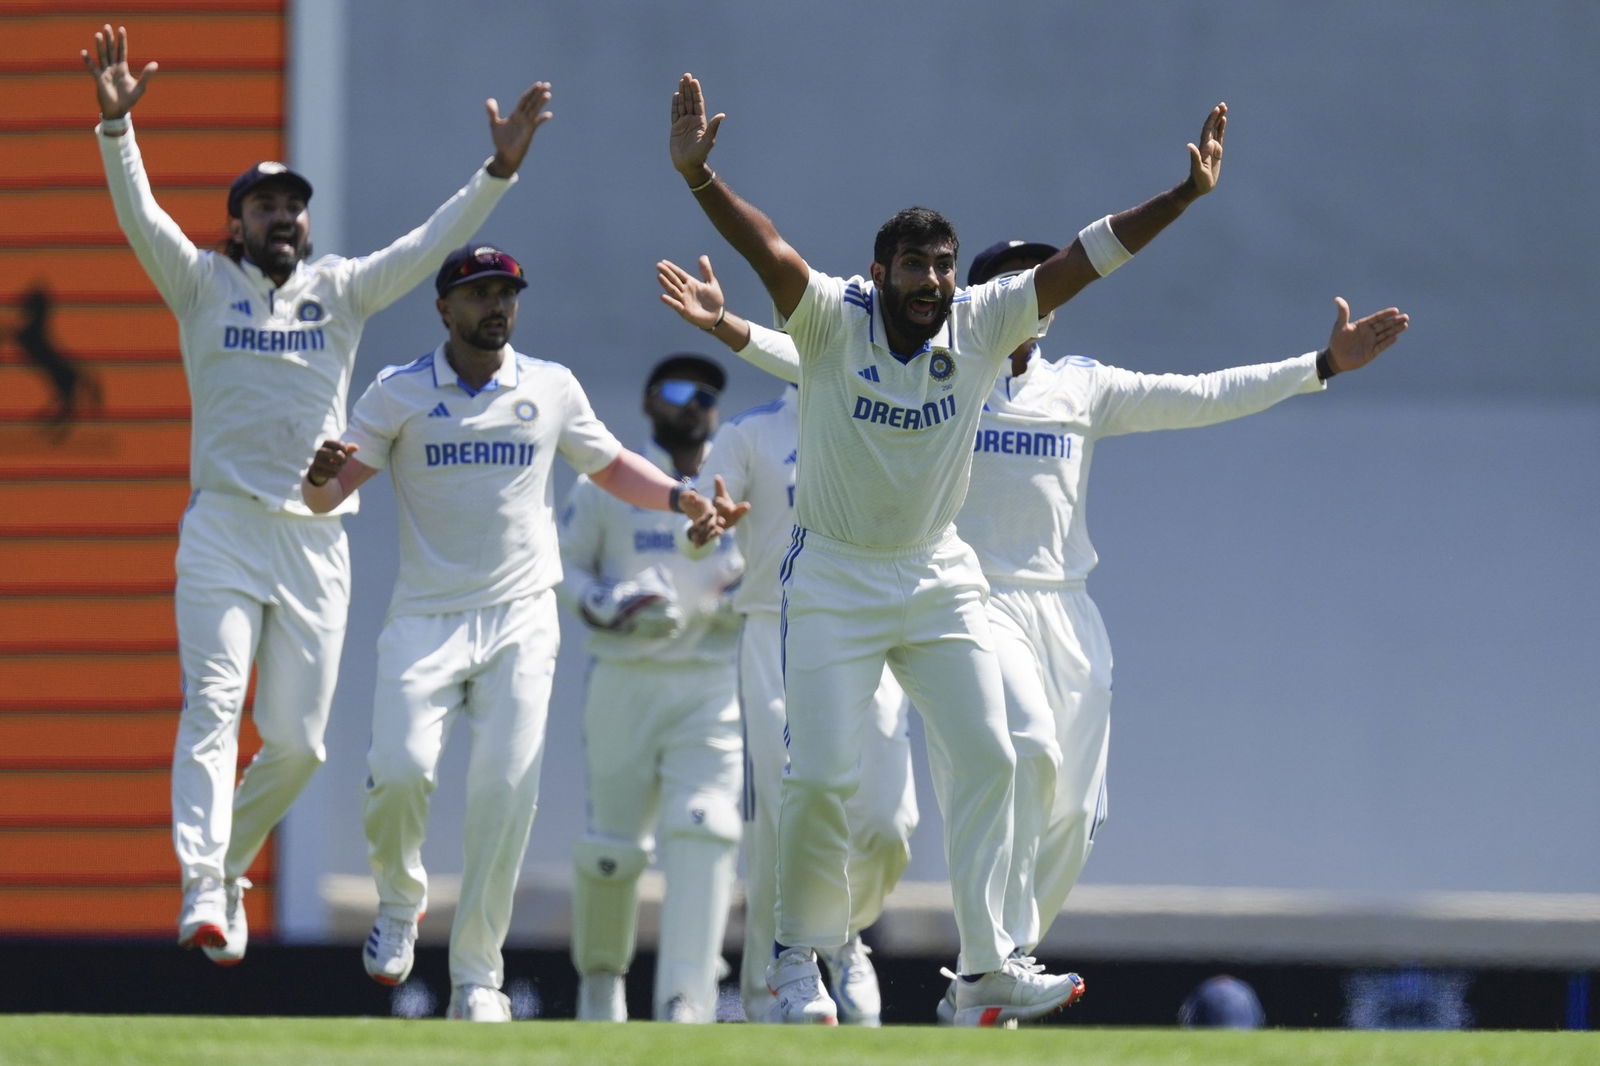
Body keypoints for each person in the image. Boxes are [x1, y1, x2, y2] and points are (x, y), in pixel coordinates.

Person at [657, 250, 1411, 1024]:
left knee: (1074, 811)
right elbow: (813, 353)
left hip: (1068, 610)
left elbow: (1200, 395)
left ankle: (992, 981)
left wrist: (1318, 364)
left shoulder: (1080, 385)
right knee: (1024, 749)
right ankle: (981, 965)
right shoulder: (948, 365)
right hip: (965, 600)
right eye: (1014, 279)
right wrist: (728, 323)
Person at [666, 71, 1226, 1026]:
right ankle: (797, 961)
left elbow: (1091, 257)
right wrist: (699, 180)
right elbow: (769, 249)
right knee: (824, 779)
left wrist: (1182, 195)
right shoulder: (831, 318)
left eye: (944, 265)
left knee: (998, 755)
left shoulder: (982, 321)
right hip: (835, 574)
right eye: (916, 266)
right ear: (880, 272)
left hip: (937, 572)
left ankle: (984, 967)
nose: (933, 282)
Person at [81, 23, 549, 964]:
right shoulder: (200, 284)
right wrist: (117, 132)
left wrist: (494, 176)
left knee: (298, 746)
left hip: (312, 540)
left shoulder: (340, 290)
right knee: (213, 704)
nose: (283, 218)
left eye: (293, 205)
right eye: (264, 206)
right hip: (221, 526)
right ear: (238, 221)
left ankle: (230, 866)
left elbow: (426, 250)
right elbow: (142, 221)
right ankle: (200, 885)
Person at [299, 244, 743, 1021]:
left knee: (503, 792)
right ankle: (401, 903)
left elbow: (608, 466)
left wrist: (681, 501)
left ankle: (478, 978)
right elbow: (327, 498)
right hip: (426, 618)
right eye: (478, 294)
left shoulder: (550, 387)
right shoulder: (397, 393)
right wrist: (316, 477)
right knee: (399, 772)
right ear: (444, 309)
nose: (495, 306)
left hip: (521, 619)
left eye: (506, 293)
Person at [674, 373, 920, 1026]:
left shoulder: (882, 416)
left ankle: (840, 932)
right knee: (787, 813)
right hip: (774, 632)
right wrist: (706, 524)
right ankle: (788, 978)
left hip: (869, 630)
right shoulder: (752, 433)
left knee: (890, 822)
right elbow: (697, 521)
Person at [555, 354, 752, 1024]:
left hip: (708, 684)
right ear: (647, 401)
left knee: (705, 830)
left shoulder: (738, 483)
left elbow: (774, 570)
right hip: (624, 679)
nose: (693, 403)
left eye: (706, 394)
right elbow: (566, 572)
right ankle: (600, 983)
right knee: (613, 847)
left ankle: (686, 1000)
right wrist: (609, 604)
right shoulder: (607, 481)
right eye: (677, 389)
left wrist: (740, 599)